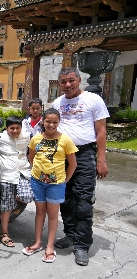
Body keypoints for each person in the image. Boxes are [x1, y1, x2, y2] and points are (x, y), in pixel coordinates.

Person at [51, 66, 110, 266]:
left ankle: (82, 245)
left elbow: (101, 131)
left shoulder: (93, 100)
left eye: (71, 80)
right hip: (62, 156)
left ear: (79, 80)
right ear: (59, 84)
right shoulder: (57, 102)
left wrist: (101, 159)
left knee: (83, 200)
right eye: (63, 82)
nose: (67, 85)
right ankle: (70, 234)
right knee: (65, 198)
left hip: (84, 154)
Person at [23, 108, 78, 263]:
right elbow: (31, 157)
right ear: (43, 121)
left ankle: (50, 246)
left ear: (59, 123)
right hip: (37, 182)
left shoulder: (65, 140)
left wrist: (64, 181)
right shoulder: (35, 139)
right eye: (48, 121)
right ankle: (37, 242)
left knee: (53, 215)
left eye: (55, 122)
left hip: (56, 184)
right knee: (40, 212)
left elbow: (73, 164)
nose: (51, 125)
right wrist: (38, 173)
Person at [0, 116, 34, 247]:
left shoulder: (27, 136)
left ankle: (16, 204)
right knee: (6, 205)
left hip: (23, 171)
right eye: (12, 128)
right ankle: (4, 233)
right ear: (6, 128)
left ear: (21, 128)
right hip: (6, 174)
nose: (15, 131)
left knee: (27, 196)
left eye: (18, 128)